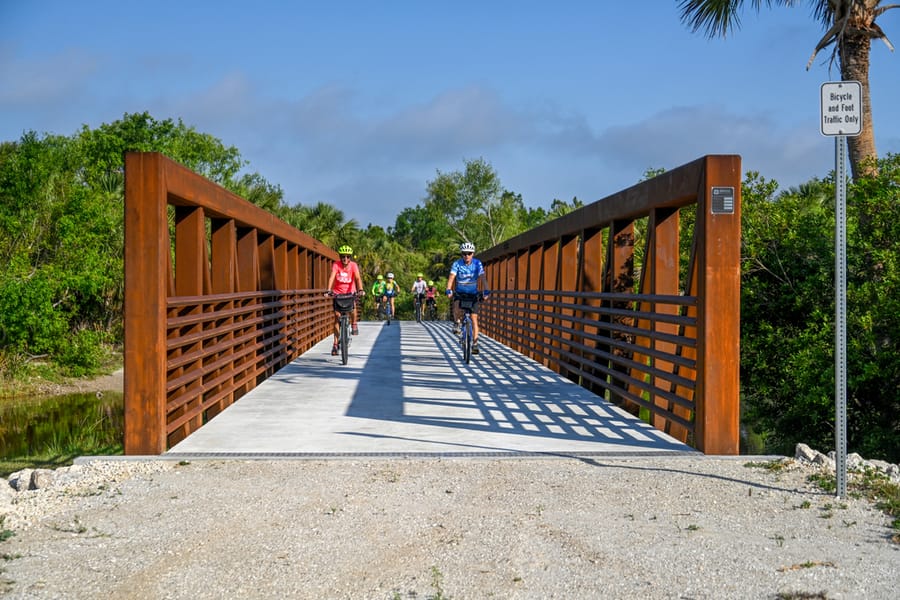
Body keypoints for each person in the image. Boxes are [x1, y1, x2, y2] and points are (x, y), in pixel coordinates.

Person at [446, 241, 489, 354]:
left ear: (473, 254)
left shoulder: (477, 263)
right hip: (460, 292)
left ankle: (475, 344)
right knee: (456, 306)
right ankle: (457, 323)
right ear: (462, 254)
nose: (467, 256)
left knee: (474, 319)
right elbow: (451, 277)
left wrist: (486, 290)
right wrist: (449, 289)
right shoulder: (457, 264)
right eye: (464, 253)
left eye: (469, 253)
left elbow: (483, 277)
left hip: (473, 294)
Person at [325, 245, 364, 356]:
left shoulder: (353, 266)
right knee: (337, 317)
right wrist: (328, 290)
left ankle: (354, 323)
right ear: (340, 257)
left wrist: (360, 289)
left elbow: (357, 278)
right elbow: (332, 277)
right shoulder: (336, 265)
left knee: (352, 309)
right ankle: (335, 344)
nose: (345, 259)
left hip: (350, 292)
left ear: (350, 257)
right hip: (338, 293)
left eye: (347, 257)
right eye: (343, 257)